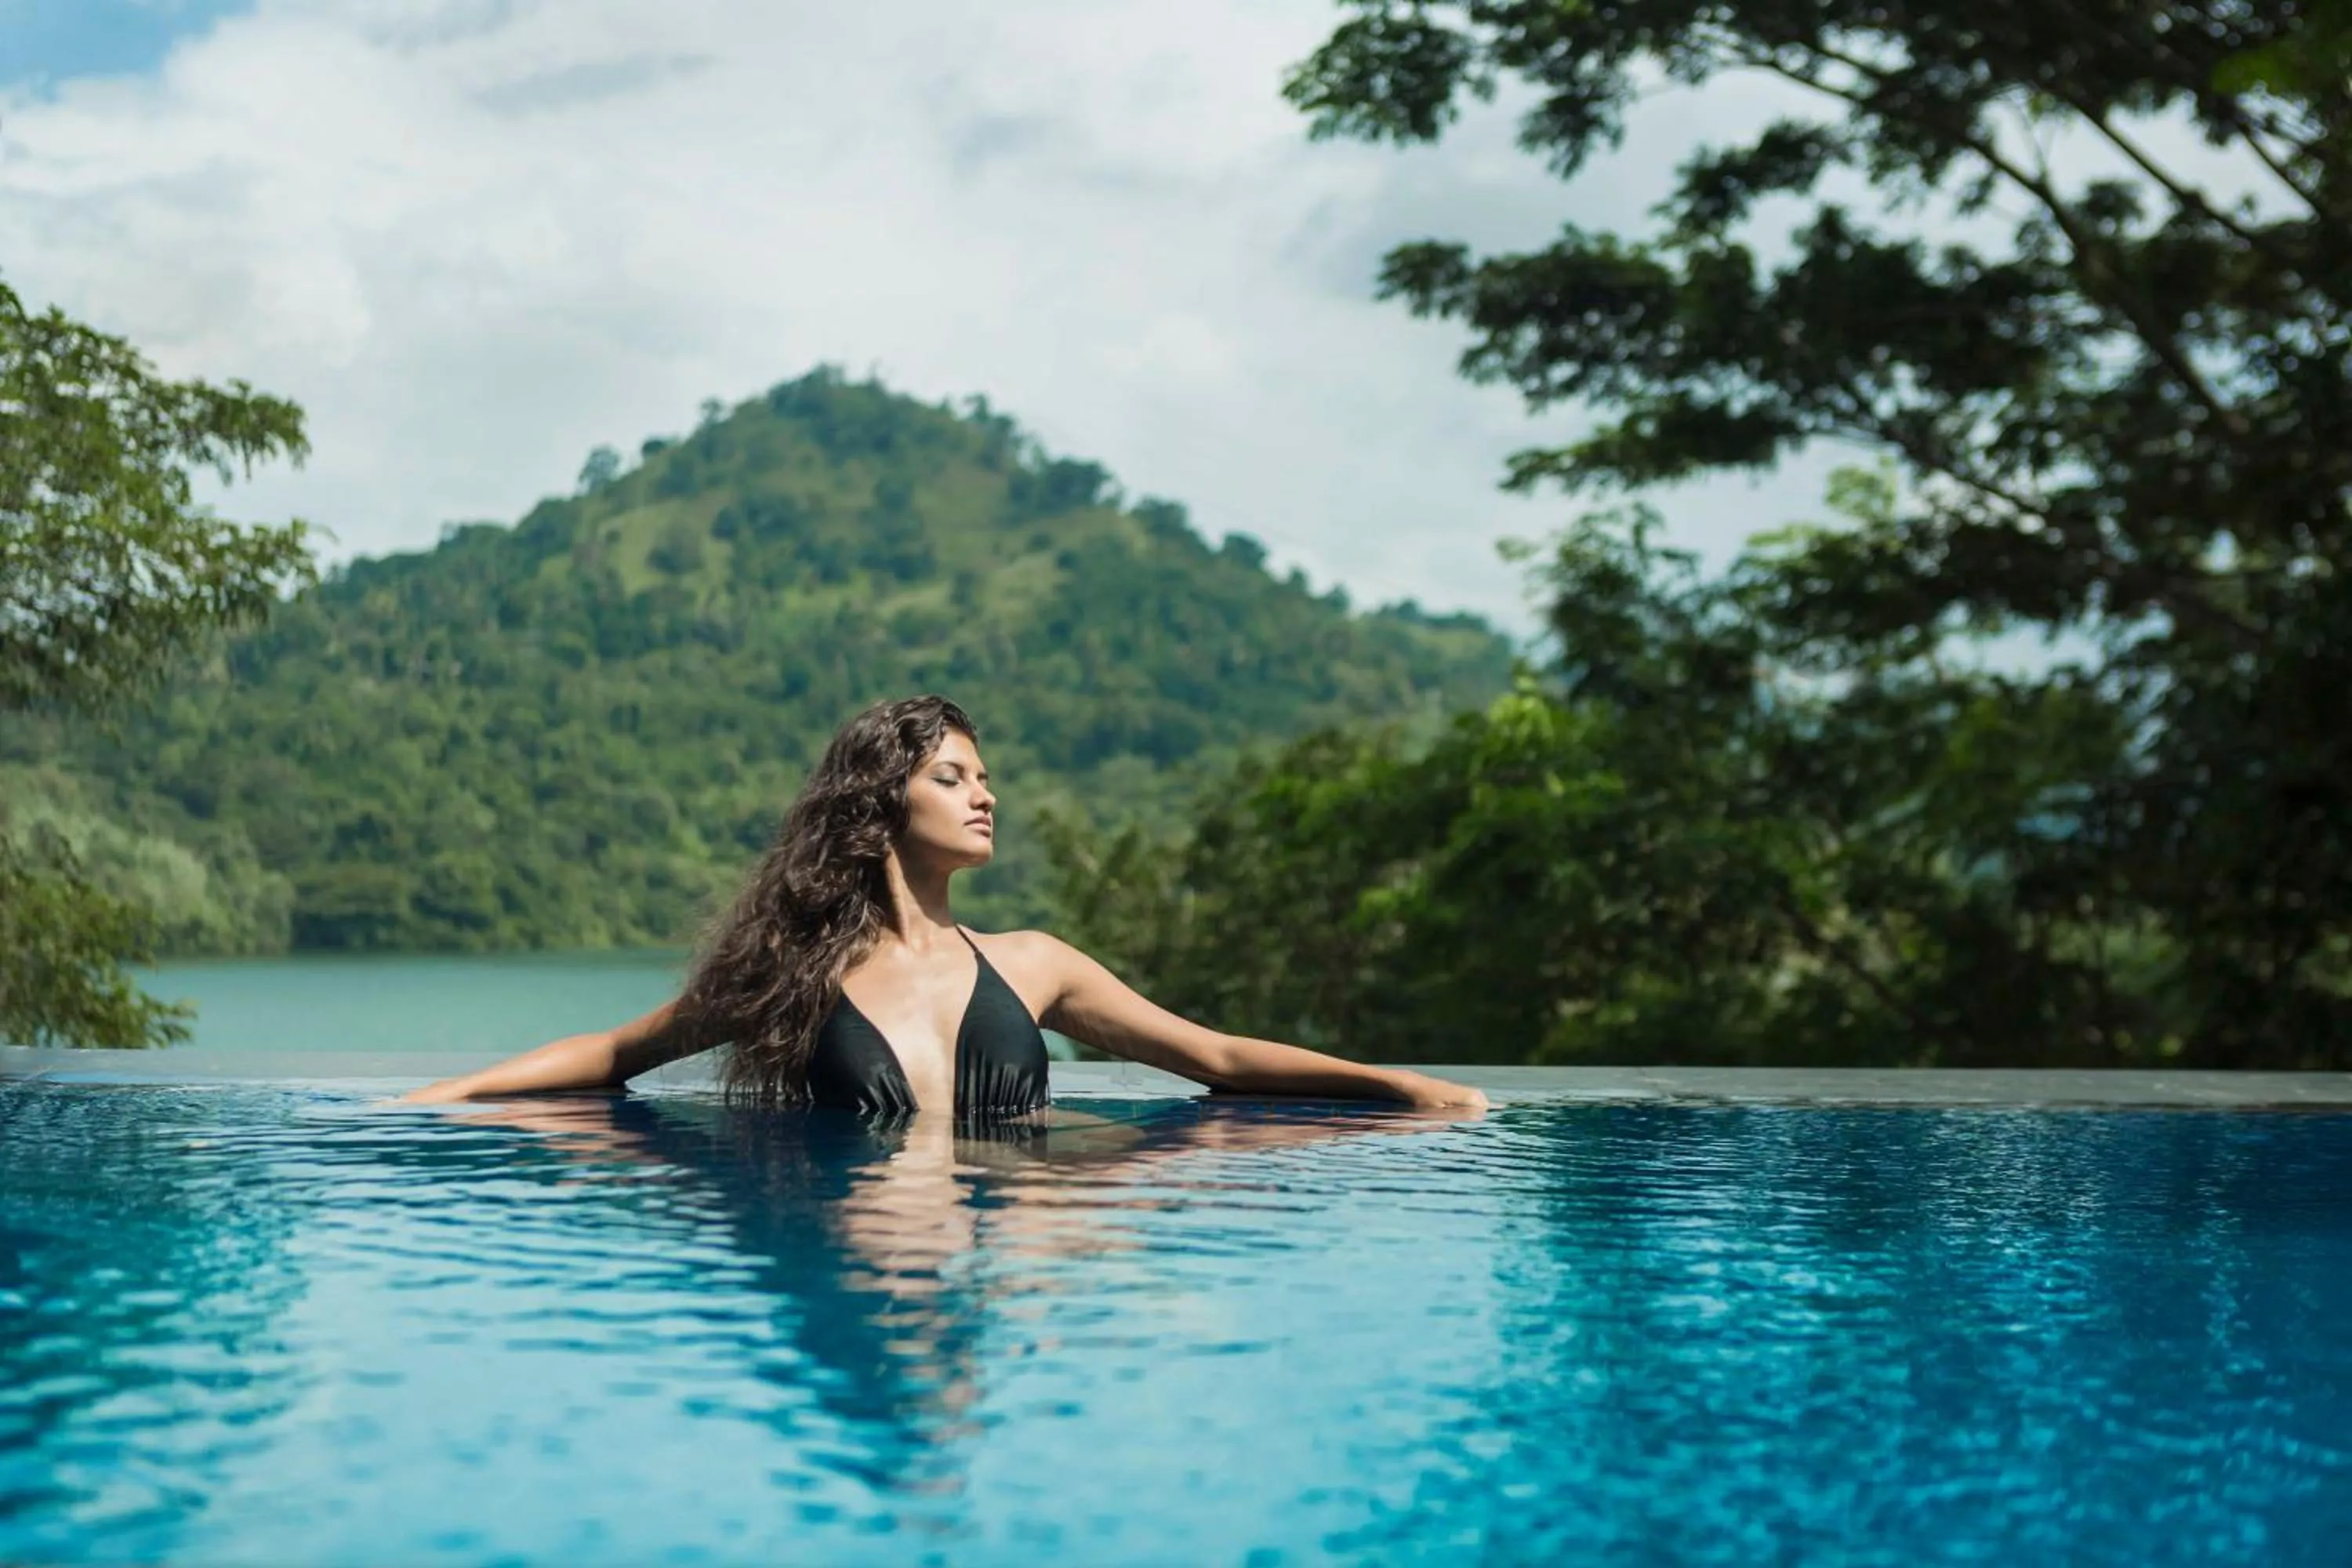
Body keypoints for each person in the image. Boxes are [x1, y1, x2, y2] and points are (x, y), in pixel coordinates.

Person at [401, 695, 1488, 1116]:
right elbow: (615, 1053)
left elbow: (1218, 1061)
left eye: (983, 776)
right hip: (845, 1257)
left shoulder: (1035, 963)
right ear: (883, 805)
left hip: (1011, 1241)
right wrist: (437, 1098)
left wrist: (1394, 1087)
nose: (987, 794)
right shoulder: (796, 974)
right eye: (955, 778)